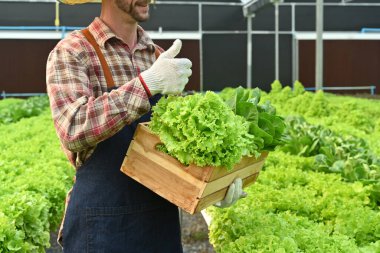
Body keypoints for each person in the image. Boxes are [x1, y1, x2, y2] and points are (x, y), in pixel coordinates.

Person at [46, 0, 246, 252]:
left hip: (158, 224)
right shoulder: (74, 51)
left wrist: (211, 188)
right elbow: (72, 128)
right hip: (100, 226)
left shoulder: (160, 57)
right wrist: (146, 84)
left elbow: (182, 145)